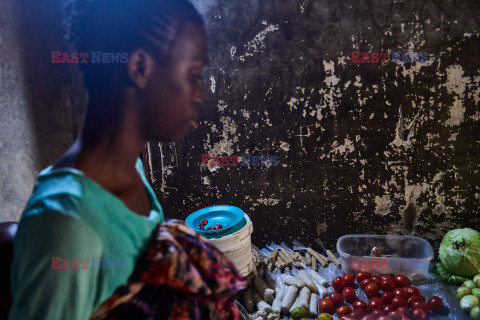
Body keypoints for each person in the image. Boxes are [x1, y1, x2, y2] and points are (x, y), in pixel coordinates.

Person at [9, 0, 207, 319]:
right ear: (140, 68)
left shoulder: (129, 170)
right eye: (194, 74)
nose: (198, 94)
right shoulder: (69, 232)